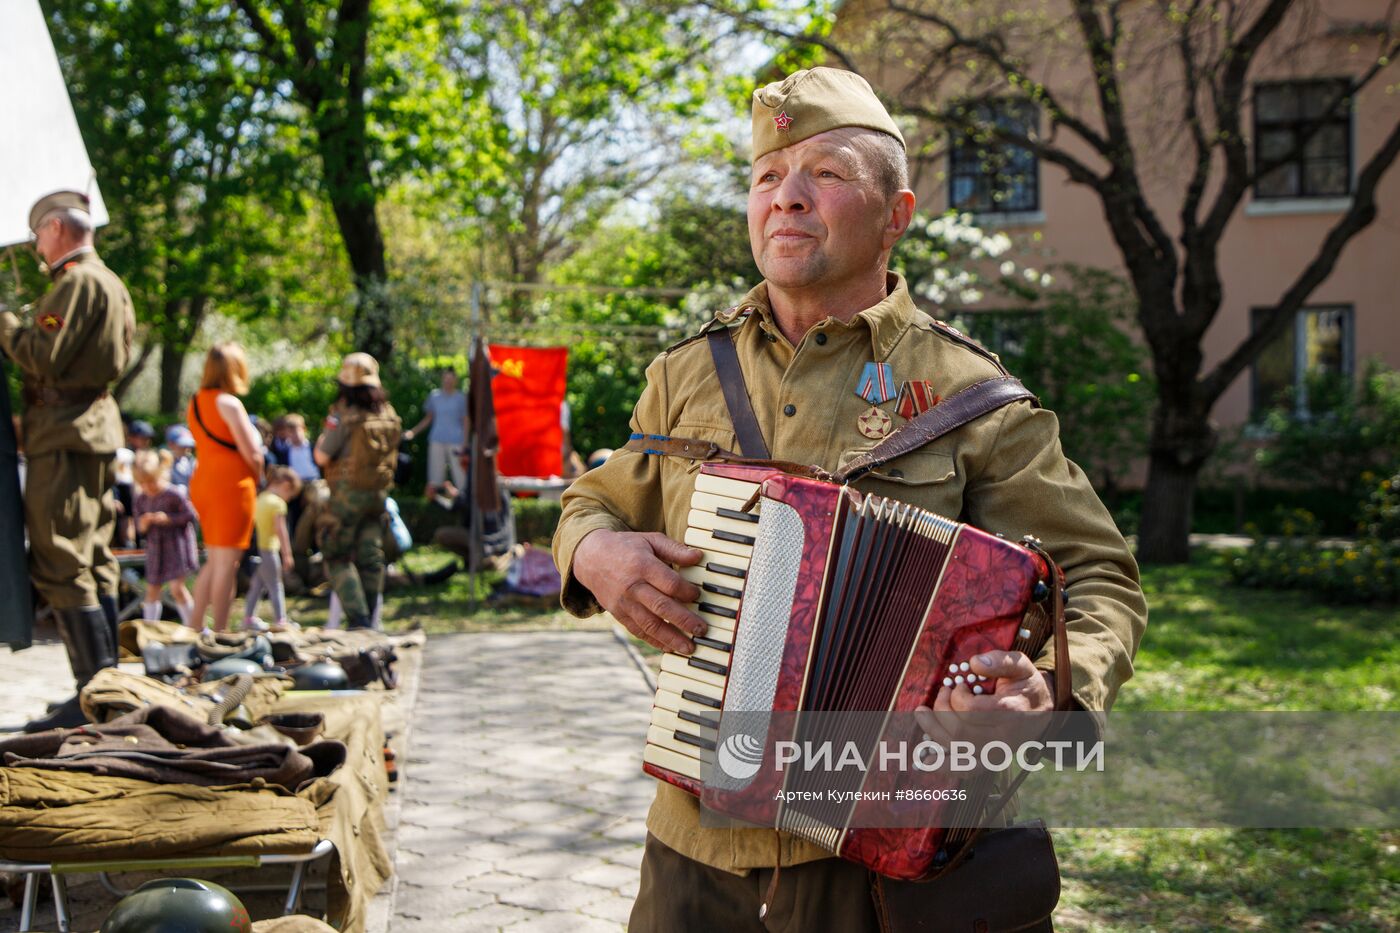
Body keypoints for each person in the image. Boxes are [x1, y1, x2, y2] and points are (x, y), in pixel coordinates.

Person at [552, 68, 1148, 931]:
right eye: (766, 178)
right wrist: (592, 552)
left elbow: (1099, 576)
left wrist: (1050, 693)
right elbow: (595, 500)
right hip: (696, 852)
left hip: (890, 863)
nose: (786, 198)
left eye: (825, 173)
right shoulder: (682, 375)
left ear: (895, 216)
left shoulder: (969, 391)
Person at [0, 190, 134, 731]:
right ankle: (109, 688)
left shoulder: (76, 282)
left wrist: (7, 324)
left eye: (38, 234)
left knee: (60, 557)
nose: (35, 245)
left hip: (64, 433)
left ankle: (94, 695)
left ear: (58, 228)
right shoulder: (109, 281)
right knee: (94, 557)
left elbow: (43, 356)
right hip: (91, 431)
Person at [314, 352, 401, 630]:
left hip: (347, 495)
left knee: (336, 552)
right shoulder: (387, 412)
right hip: (378, 495)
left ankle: (359, 618)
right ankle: (371, 618)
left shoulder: (344, 415)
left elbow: (321, 456)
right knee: (370, 556)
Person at [187, 342, 263, 633]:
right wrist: (259, 477)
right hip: (231, 484)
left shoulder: (195, 401)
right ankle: (219, 632)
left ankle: (194, 628)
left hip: (204, 480)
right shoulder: (229, 403)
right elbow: (252, 454)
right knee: (227, 564)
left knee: (215, 559)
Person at [132, 448, 198, 625]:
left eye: (151, 481)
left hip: (176, 546)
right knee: (152, 589)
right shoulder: (141, 499)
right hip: (156, 548)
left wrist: (168, 519)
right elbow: (139, 526)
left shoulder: (174, 493)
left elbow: (190, 515)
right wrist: (144, 524)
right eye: (143, 483)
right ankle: (149, 630)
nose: (148, 487)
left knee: (177, 588)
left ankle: (193, 627)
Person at [242, 464, 302, 631]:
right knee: (276, 585)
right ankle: (281, 619)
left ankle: (248, 618)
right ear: (285, 486)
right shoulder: (277, 504)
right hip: (269, 550)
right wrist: (287, 554)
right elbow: (280, 530)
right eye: (290, 494)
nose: (288, 499)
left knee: (257, 585)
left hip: (257, 550)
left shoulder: (260, 498)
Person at [403, 368, 467, 496]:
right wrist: (413, 432)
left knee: (461, 473)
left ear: (455, 380)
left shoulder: (461, 397)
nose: (448, 382)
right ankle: (435, 501)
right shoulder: (435, 396)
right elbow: (429, 418)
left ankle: (464, 496)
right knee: (435, 474)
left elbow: (466, 421)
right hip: (437, 438)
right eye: (446, 378)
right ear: (442, 379)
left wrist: (465, 442)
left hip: (456, 439)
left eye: (451, 379)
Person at [165, 424, 196, 488]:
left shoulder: (193, 462)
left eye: (188, 445)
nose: (187, 449)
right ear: (170, 444)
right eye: (182, 446)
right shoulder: (163, 464)